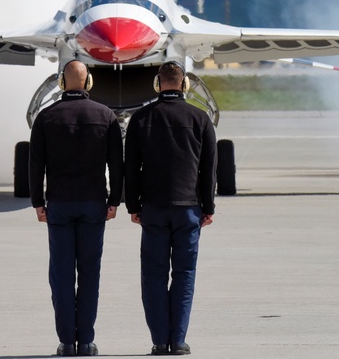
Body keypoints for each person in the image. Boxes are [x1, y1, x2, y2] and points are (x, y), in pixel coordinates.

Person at [29, 60, 124, 357]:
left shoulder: (46, 117)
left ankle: (66, 342)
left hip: (59, 204)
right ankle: (86, 341)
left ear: (61, 82)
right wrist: (114, 200)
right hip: (94, 204)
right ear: (89, 82)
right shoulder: (105, 115)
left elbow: (35, 166)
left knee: (61, 275)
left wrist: (37, 202)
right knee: (89, 273)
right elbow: (116, 165)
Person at [124, 61, 217, 356]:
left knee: (153, 274)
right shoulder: (200, 118)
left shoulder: (141, 118)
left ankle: (158, 341)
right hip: (189, 207)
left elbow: (131, 168)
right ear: (185, 85)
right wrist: (208, 206)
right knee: (184, 274)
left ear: (157, 84)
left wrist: (133, 205)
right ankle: (178, 341)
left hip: (153, 208)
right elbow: (208, 169)